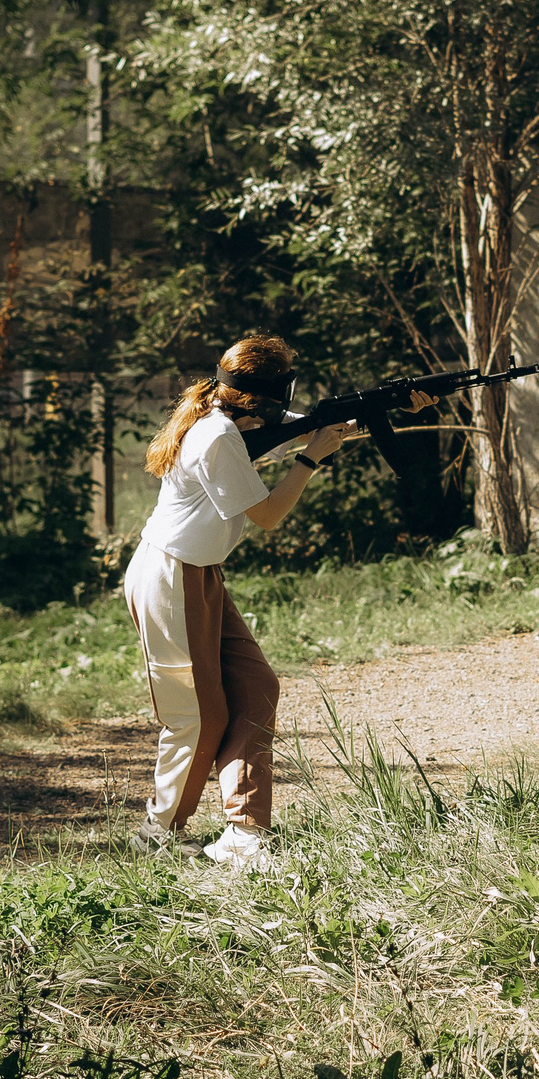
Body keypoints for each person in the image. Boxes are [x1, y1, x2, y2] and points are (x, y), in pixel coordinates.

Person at [123, 335, 362, 867]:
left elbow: (317, 427)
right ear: (275, 391)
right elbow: (268, 515)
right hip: (171, 574)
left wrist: (380, 413)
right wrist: (310, 460)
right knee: (198, 715)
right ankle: (157, 832)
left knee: (255, 687)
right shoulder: (217, 435)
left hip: (198, 572)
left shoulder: (235, 419)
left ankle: (244, 834)